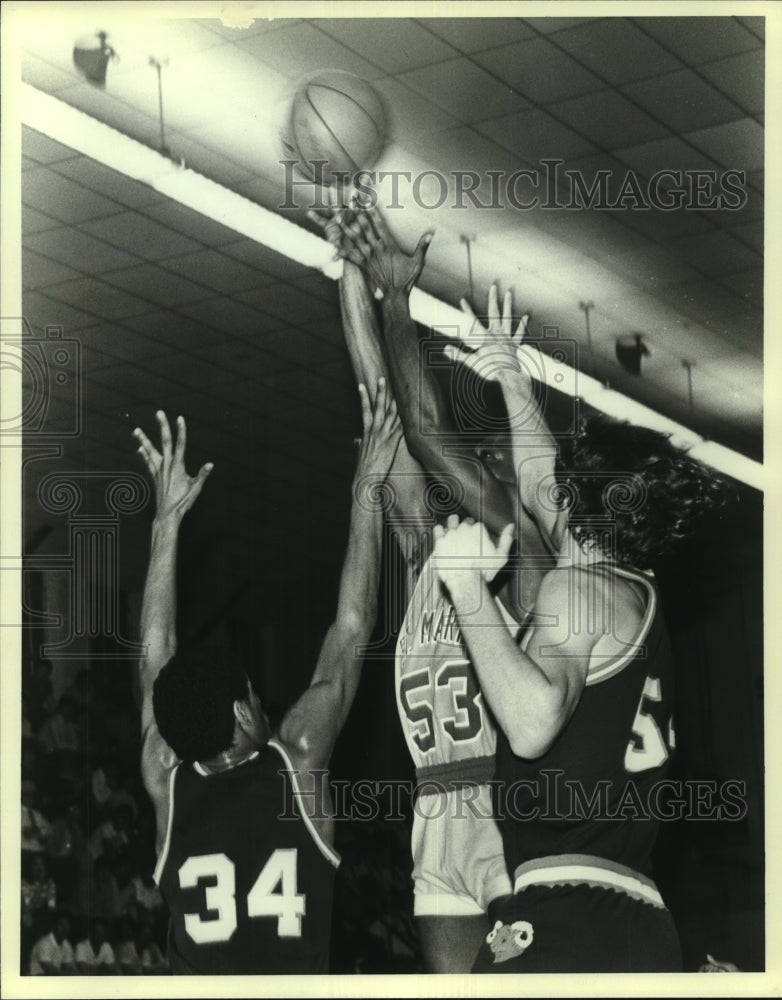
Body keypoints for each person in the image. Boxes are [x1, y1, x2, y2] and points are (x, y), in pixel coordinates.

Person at [429, 318, 729, 971]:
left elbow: (532, 725)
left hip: (567, 918)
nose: (548, 485)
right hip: (639, 921)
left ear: (575, 501)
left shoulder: (577, 591)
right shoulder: (631, 592)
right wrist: (510, 376)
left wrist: (467, 590)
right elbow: (541, 482)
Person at [310, 201, 557, 971]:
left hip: (504, 812)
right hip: (434, 817)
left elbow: (420, 429)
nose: (472, 464)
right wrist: (351, 278)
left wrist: (394, 300)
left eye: (481, 457)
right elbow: (384, 411)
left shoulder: (525, 549)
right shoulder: (432, 555)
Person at [133, 384, 401, 974]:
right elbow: (352, 629)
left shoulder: (165, 783)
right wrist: (369, 488)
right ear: (239, 712)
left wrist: (166, 525)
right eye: (253, 694)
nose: (263, 702)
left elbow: (155, 664)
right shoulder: (297, 762)